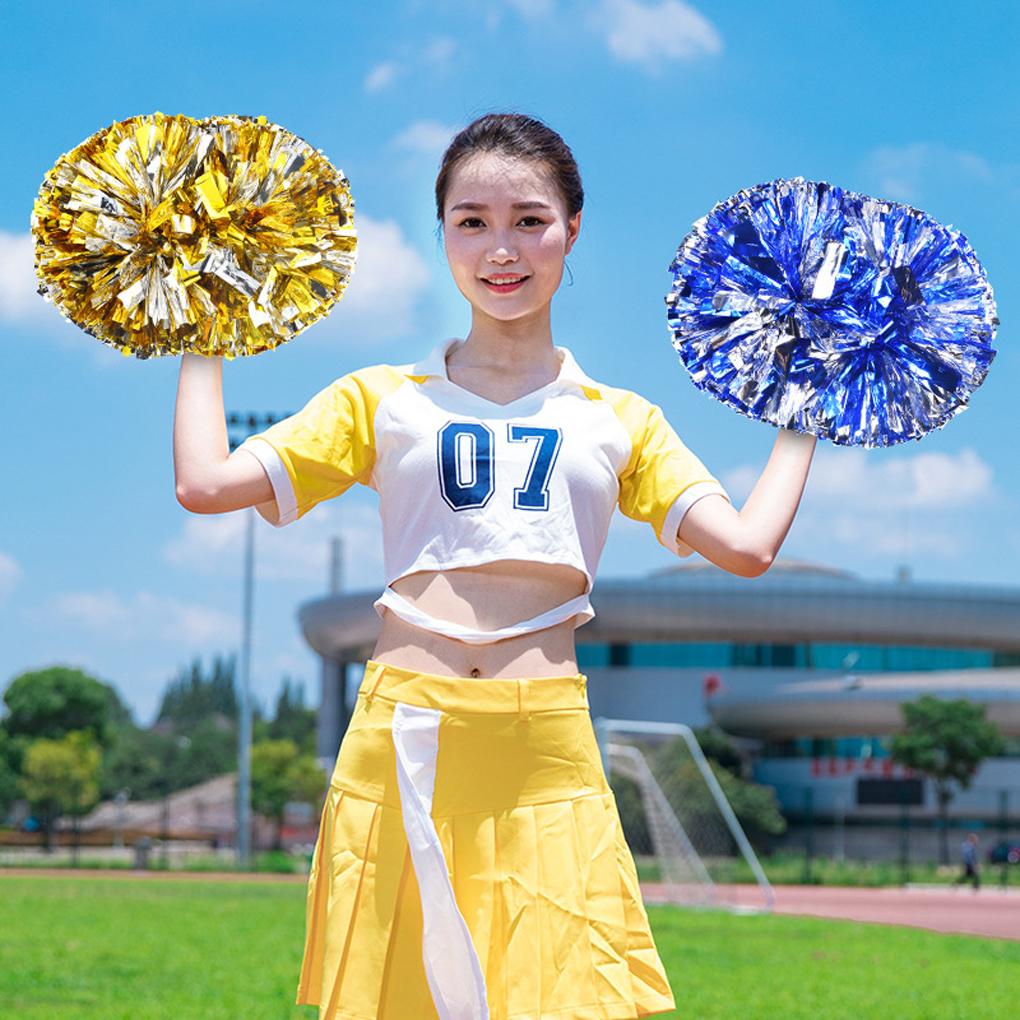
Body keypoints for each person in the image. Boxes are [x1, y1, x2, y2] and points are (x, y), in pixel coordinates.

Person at [173, 111, 816, 1019]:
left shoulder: (617, 416)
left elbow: (747, 549)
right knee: (392, 997)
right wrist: (201, 328)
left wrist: (807, 407)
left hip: (545, 746)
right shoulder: (380, 398)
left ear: (573, 230)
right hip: (403, 726)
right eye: (471, 221)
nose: (500, 248)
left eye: (529, 219)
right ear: (441, 234)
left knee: (567, 995)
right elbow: (205, 484)